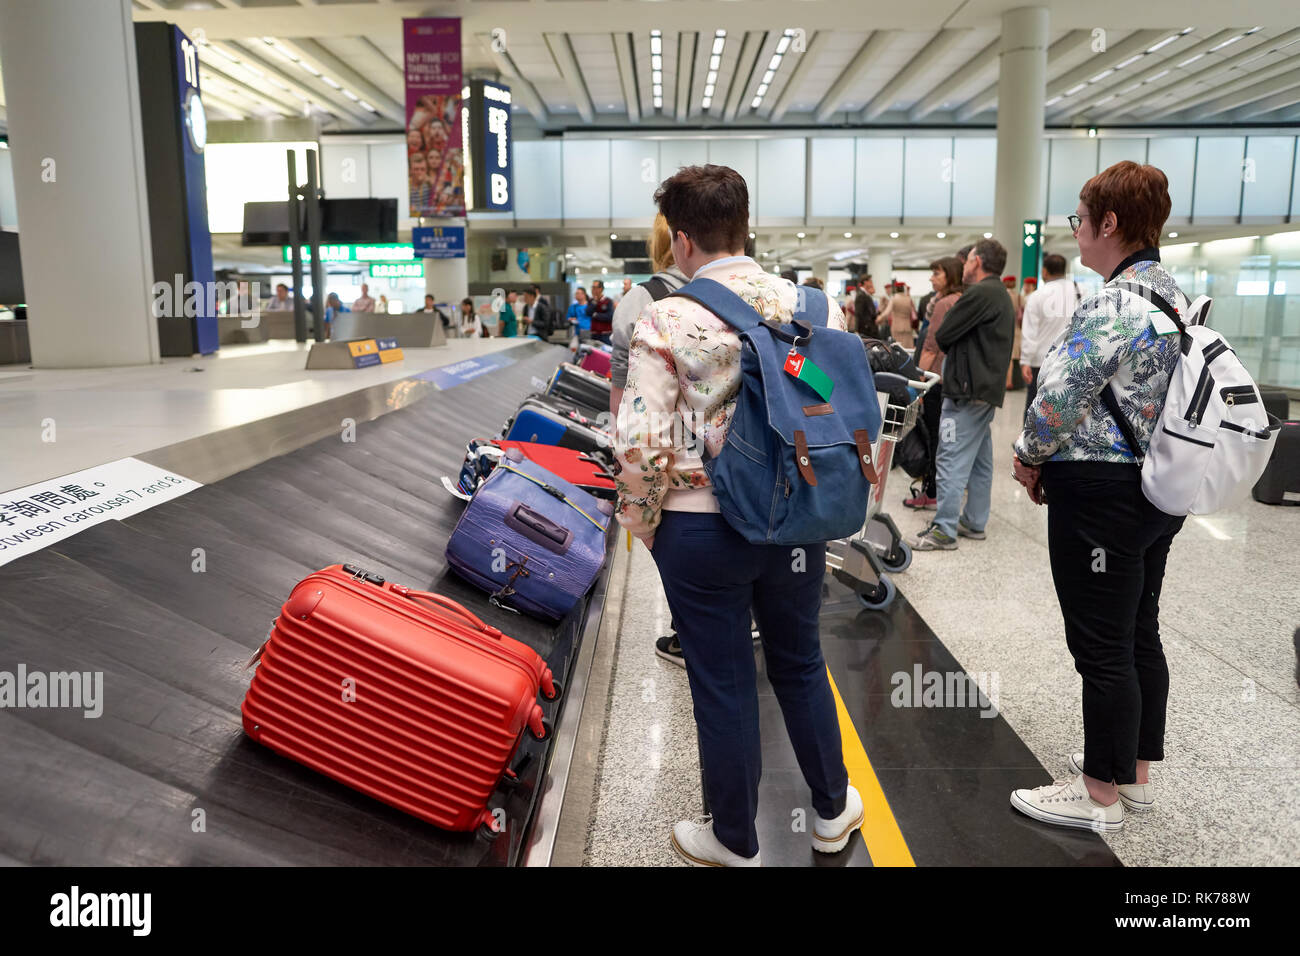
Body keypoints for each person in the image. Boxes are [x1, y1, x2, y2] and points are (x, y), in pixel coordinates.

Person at [614, 163, 863, 867]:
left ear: (682, 238)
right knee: (800, 662)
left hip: (701, 525)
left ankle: (735, 839)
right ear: (745, 227)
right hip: (794, 518)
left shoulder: (667, 315)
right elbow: (823, 404)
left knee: (722, 681)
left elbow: (640, 441)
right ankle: (831, 809)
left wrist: (643, 525)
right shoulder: (814, 308)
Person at [1009, 161, 1188, 832]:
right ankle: (1134, 775)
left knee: (1100, 643)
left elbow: (1059, 394)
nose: (1077, 231)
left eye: (1080, 219)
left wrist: (1028, 457)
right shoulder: (1171, 294)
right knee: (1138, 625)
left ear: (1110, 223)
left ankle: (1098, 795)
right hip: (1156, 484)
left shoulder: (1114, 300)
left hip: (1099, 490)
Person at [913, 238, 1015, 551]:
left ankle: (943, 530)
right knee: (980, 463)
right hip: (984, 391)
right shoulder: (1000, 294)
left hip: (966, 393)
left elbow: (943, 334)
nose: (964, 264)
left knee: (951, 458)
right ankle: (974, 521)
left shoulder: (980, 293)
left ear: (978, 262)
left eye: (968, 258)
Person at [903, 256, 963, 511]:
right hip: (955, 378)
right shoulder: (964, 300)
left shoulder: (942, 303)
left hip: (936, 378)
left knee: (932, 438)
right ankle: (945, 489)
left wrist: (919, 380)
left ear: (949, 275)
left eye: (936, 274)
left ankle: (932, 491)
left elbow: (930, 346)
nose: (931, 278)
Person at [1019, 253, 1080, 417]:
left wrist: (1025, 360)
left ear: (1044, 271)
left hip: (1041, 361)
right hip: (1070, 359)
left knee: (1035, 405)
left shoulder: (1037, 296)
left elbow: (1030, 332)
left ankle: (1028, 441)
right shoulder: (1079, 291)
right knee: (1064, 407)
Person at [879, 281, 916, 349]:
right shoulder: (909, 299)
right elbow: (914, 313)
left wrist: (879, 318)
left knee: (897, 348)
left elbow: (887, 312)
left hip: (896, 326)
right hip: (907, 326)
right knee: (908, 348)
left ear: (896, 289)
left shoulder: (894, 299)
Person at [586, 279, 614, 344]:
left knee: (606, 353)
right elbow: (588, 312)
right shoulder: (591, 301)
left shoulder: (608, 301)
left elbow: (609, 316)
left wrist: (595, 315)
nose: (592, 289)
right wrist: (594, 302)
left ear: (601, 289)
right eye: (592, 287)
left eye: (594, 287)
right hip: (594, 334)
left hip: (605, 335)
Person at [854, 275, 877, 341]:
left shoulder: (865, 294)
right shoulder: (861, 295)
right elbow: (858, 313)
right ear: (865, 282)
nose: (872, 283)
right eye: (870, 281)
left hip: (868, 328)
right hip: (865, 329)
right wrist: (857, 329)